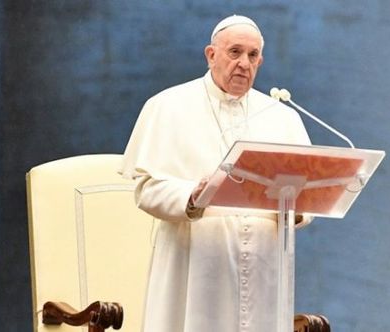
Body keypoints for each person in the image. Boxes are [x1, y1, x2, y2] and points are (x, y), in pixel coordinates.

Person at [119, 15, 312, 332]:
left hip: (263, 266)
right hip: (194, 262)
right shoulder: (168, 106)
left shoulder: (283, 118)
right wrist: (193, 195)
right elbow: (147, 189)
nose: (243, 63)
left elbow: (305, 198)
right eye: (234, 52)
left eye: (252, 56)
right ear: (211, 55)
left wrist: (299, 207)